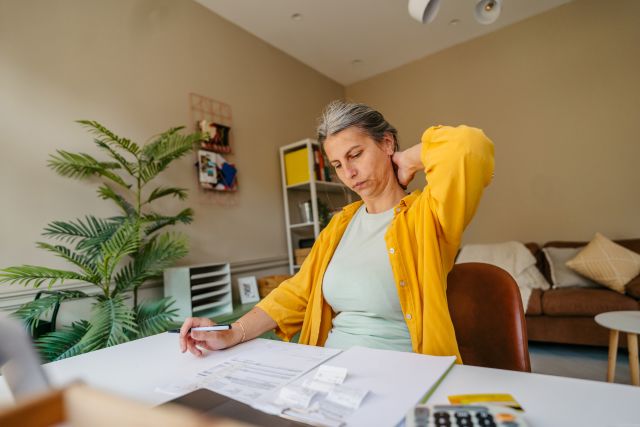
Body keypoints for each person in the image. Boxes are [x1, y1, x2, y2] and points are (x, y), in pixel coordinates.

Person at [178, 101, 494, 363]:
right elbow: (298, 291)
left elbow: (469, 147)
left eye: (355, 155)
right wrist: (232, 331)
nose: (349, 173)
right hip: (328, 373)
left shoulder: (430, 214)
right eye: (338, 164)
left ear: (386, 143)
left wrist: (408, 159)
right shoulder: (341, 223)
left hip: (405, 375)